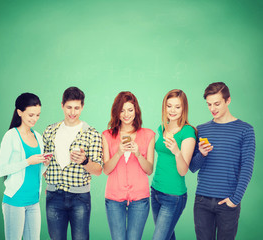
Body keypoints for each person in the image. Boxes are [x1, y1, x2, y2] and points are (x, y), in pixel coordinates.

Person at [189, 82, 255, 240]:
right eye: (209, 104)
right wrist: (202, 154)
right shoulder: (201, 129)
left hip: (228, 202)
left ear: (228, 100)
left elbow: (247, 167)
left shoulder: (245, 130)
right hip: (202, 201)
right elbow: (192, 167)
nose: (213, 108)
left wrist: (235, 199)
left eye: (217, 103)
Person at [43, 86, 103, 240]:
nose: (72, 112)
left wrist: (84, 161)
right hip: (53, 196)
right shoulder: (49, 131)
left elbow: (97, 170)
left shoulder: (91, 134)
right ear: (62, 105)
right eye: (69, 107)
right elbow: (42, 164)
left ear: (82, 107)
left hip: (80, 198)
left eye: (77, 108)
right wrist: (48, 178)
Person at [0, 93, 51, 240]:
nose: (35, 119)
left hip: (33, 201)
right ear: (20, 112)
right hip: (15, 201)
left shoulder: (38, 137)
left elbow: (36, 171)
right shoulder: (11, 136)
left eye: (38, 115)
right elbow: (1, 170)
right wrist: (27, 161)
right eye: (31, 115)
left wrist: (45, 164)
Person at [102, 91, 155, 240]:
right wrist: (118, 153)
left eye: (130, 110)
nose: (126, 114)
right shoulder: (107, 135)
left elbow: (149, 170)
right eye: (122, 110)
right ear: (116, 112)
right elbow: (106, 169)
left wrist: (138, 154)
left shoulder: (148, 135)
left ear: (136, 111)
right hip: (114, 198)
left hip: (140, 198)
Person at [151, 89, 196, 240]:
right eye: (169, 106)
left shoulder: (187, 132)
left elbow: (183, 171)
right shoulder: (162, 127)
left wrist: (177, 152)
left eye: (177, 107)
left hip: (173, 196)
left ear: (184, 108)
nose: (172, 110)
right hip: (155, 191)